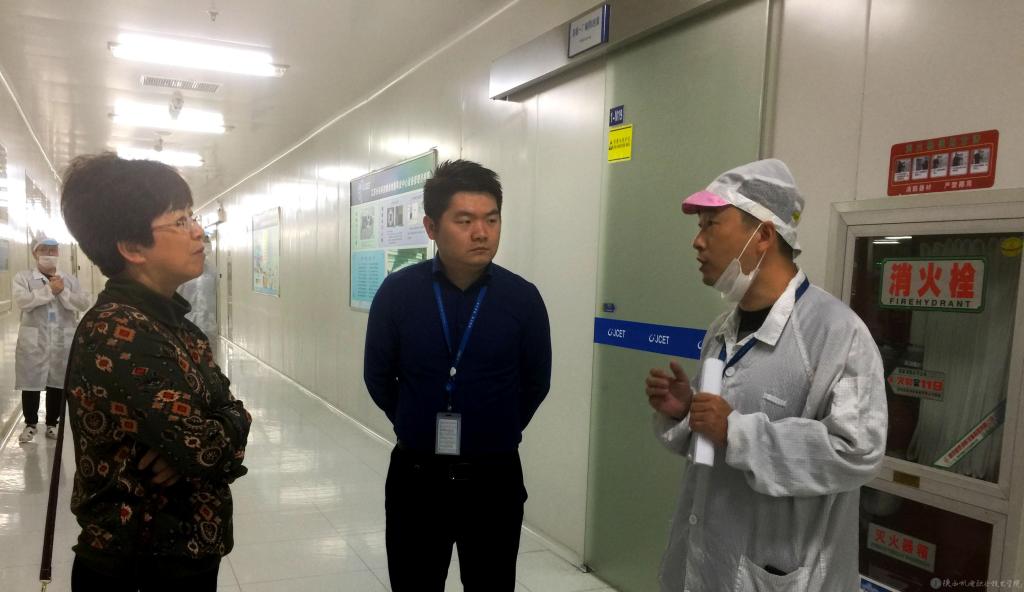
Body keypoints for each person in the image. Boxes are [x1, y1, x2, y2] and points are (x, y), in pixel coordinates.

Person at [644, 159, 887, 591]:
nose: (697, 241)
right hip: (706, 561)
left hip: (781, 571)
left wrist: (736, 432)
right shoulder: (722, 330)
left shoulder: (837, 333)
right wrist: (687, 411)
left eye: (711, 224)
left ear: (763, 235)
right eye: (699, 227)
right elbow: (712, 444)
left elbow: (857, 452)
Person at [60, 152, 251, 592]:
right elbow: (204, 451)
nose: (198, 231)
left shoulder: (174, 324)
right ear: (131, 248)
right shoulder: (119, 331)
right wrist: (218, 430)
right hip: (140, 565)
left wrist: (222, 422)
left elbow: (229, 411)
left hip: (180, 557)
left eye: (192, 216)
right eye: (180, 221)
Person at [364, 159, 552, 592]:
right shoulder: (398, 293)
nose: (481, 232)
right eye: (465, 221)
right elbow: (378, 376)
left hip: (494, 480)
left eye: (491, 219)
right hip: (417, 478)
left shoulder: (522, 299)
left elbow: (536, 382)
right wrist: (414, 421)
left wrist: (494, 429)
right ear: (431, 227)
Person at [13, 236, 91, 443]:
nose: (49, 254)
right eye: (43, 250)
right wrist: (49, 290)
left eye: (53, 250)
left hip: (61, 340)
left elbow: (83, 303)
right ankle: (30, 424)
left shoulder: (70, 280)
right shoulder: (23, 278)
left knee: (57, 382)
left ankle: (52, 424)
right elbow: (23, 301)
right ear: (34, 253)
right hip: (35, 339)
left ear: (58, 252)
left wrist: (62, 291)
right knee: (30, 382)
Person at [177, 233, 217, 336]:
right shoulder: (181, 268)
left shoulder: (213, 269)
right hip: (187, 322)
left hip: (210, 324)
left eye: (206, 242)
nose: (204, 246)